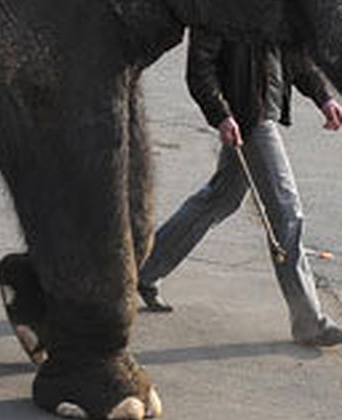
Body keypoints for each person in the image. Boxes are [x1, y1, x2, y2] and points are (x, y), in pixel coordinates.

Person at [138, 29, 342, 348]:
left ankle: (144, 270)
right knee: (286, 212)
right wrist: (220, 115)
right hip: (249, 120)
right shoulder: (218, 0)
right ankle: (308, 321)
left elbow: (293, 55)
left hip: (258, 113)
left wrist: (324, 97)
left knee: (221, 199)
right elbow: (199, 70)